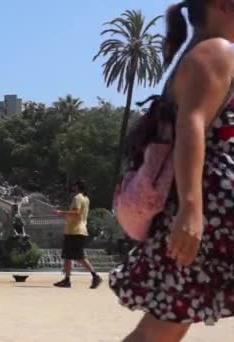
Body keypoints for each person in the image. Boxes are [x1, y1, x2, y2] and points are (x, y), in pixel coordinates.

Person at [109, 1, 234, 340]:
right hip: (210, 208)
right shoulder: (217, 51)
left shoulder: (203, 51)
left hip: (201, 206)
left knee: (166, 323)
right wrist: (192, 211)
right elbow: (191, 127)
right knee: (165, 324)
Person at [53, 180, 102, 289]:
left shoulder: (77, 198)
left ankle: (95, 276)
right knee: (68, 256)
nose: (72, 187)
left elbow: (76, 213)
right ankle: (67, 279)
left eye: (74, 185)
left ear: (78, 187)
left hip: (74, 231)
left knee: (78, 257)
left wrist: (61, 213)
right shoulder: (86, 199)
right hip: (79, 230)